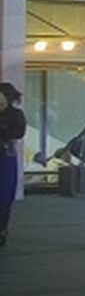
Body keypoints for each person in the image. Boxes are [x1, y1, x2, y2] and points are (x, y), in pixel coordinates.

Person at [0, 82, 26, 248]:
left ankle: (2, 228)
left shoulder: (15, 114)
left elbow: (18, 133)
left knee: (3, 196)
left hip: (5, 157)